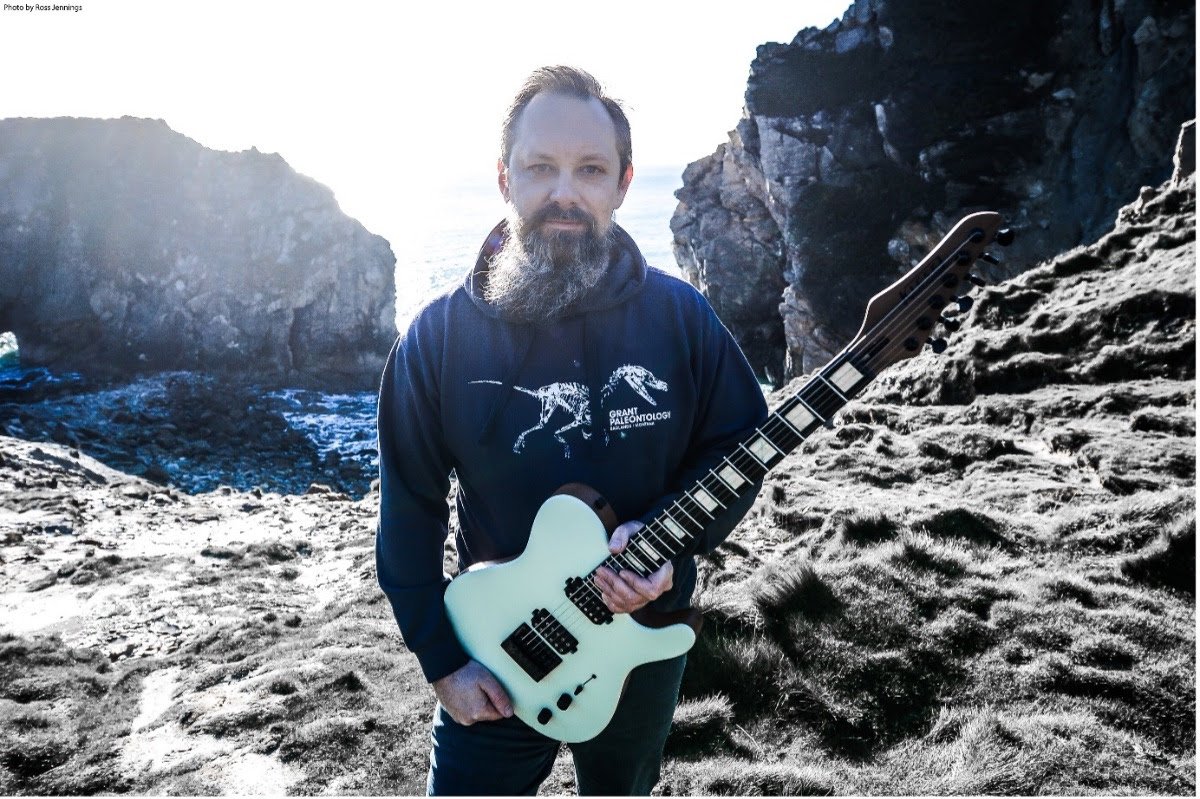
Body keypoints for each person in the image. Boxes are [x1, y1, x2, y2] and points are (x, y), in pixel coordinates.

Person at [376, 65, 768, 796]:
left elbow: (740, 446)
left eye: (590, 169)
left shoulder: (681, 318)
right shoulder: (437, 338)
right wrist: (442, 662)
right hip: (495, 649)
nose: (565, 192)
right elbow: (409, 509)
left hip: (640, 636)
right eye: (540, 168)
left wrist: (669, 541)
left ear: (622, 183)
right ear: (505, 178)